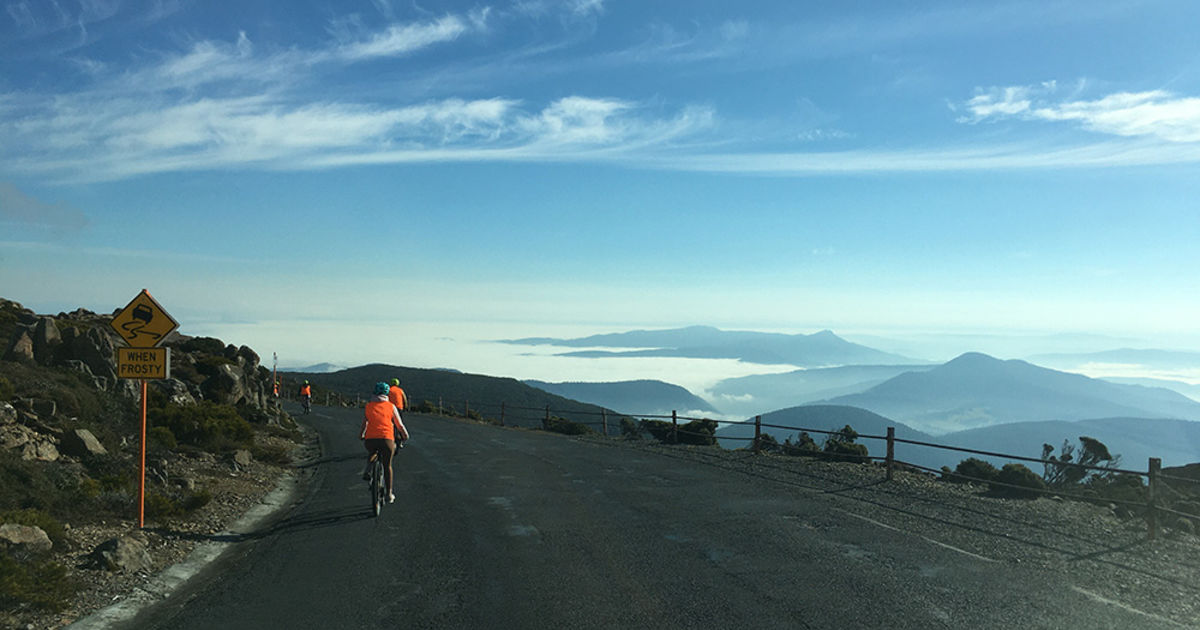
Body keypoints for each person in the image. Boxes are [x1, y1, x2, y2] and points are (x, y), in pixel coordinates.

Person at [361, 381, 409, 503]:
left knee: (372, 452)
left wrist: (361, 434)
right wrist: (405, 436)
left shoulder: (368, 406)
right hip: (387, 439)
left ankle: (368, 469)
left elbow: (364, 424)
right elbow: (399, 425)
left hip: (370, 439)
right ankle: (389, 494)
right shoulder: (391, 407)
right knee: (387, 466)